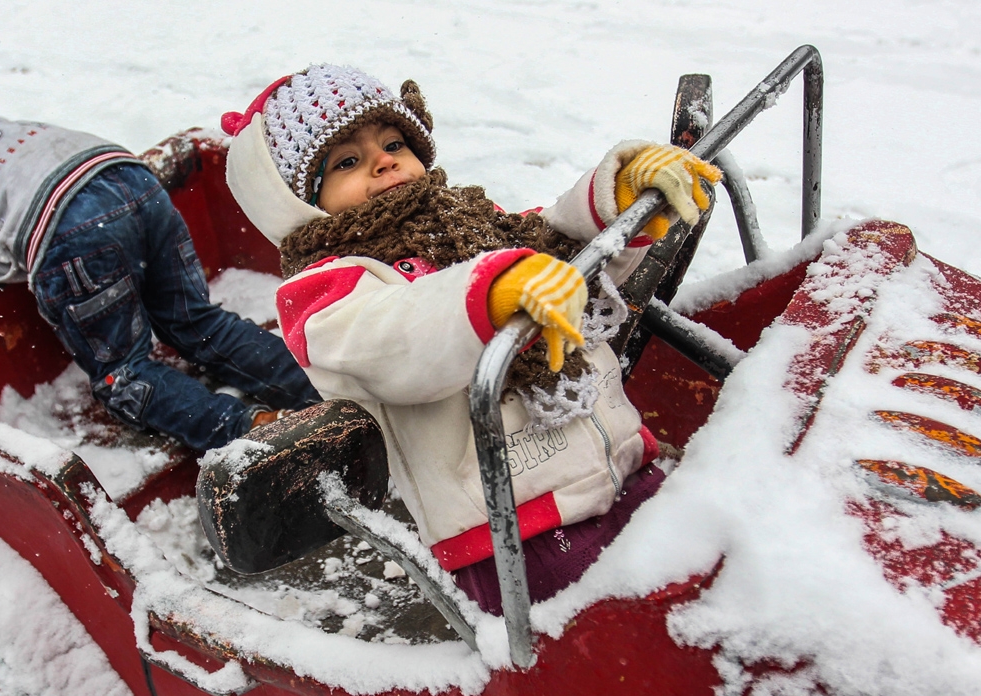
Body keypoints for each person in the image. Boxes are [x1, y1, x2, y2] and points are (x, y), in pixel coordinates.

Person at [220, 65, 721, 613]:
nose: (384, 160)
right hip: (515, 531)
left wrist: (613, 201)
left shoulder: (466, 222)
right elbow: (396, 336)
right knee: (625, 635)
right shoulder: (327, 293)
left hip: (621, 461)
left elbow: (553, 242)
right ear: (299, 202)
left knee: (706, 588)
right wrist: (490, 294)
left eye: (392, 142)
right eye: (346, 162)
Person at [0, 112, 320, 451]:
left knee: (125, 376)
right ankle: (326, 391)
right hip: (131, 177)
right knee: (199, 323)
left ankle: (258, 432)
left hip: (70, 221)